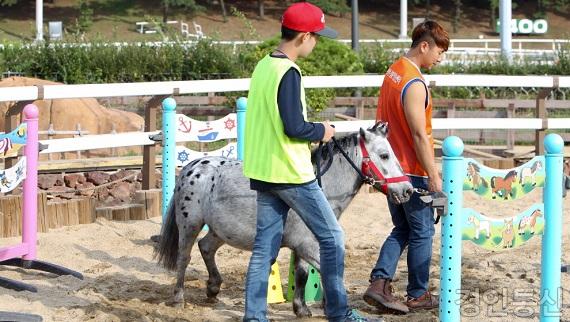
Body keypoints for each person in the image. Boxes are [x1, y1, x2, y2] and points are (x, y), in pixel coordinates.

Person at [242, 2, 382, 322]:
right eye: (316, 36)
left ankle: (253, 317)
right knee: (333, 237)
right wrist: (323, 130)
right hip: (291, 172)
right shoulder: (289, 72)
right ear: (303, 36)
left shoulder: (264, 66)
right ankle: (339, 312)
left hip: (263, 171)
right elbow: (295, 127)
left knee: (265, 249)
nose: (317, 43)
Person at [363, 20, 449, 314]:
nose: (441, 57)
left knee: (402, 227)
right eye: (439, 50)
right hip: (411, 168)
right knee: (423, 231)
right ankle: (417, 294)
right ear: (424, 45)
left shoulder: (393, 71)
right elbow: (418, 135)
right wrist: (434, 176)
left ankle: (380, 282)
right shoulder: (414, 82)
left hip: (389, 165)